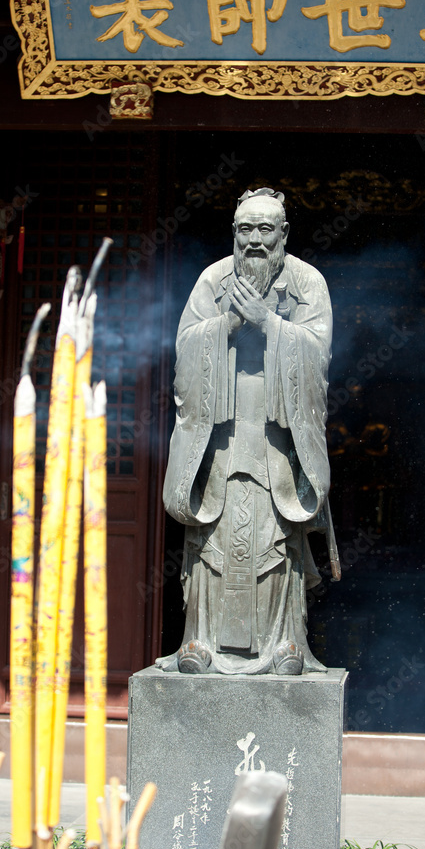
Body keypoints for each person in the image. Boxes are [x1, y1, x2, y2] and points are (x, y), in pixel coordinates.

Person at [157, 186, 336, 675]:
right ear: (234, 233)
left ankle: (284, 645)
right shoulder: (212, 280)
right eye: (245, 229)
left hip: (279, 442)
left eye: (265, 229)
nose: (255, 240)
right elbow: (185, 355)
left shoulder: (307, 283)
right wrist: (228, 326)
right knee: (211, 538)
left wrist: (270, 324)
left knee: (277, 539)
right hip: (218, 439)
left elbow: (319, 359)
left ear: (284, 233)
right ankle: (201, 642)